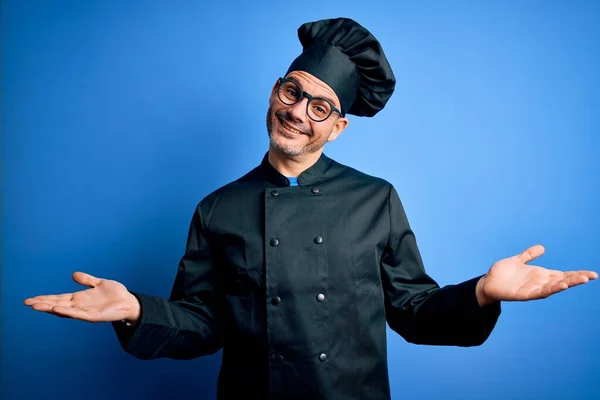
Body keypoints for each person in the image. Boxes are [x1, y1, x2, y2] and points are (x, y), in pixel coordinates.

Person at [24, 17, 597, 400]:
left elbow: (414, 311)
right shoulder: (218, 208)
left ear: (339, 127)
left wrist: (480, 293)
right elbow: (203, 324)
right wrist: (134, 311)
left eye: (320, 106)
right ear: (276, 92)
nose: (299, 111)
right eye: (291, 92)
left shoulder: (376, 199)